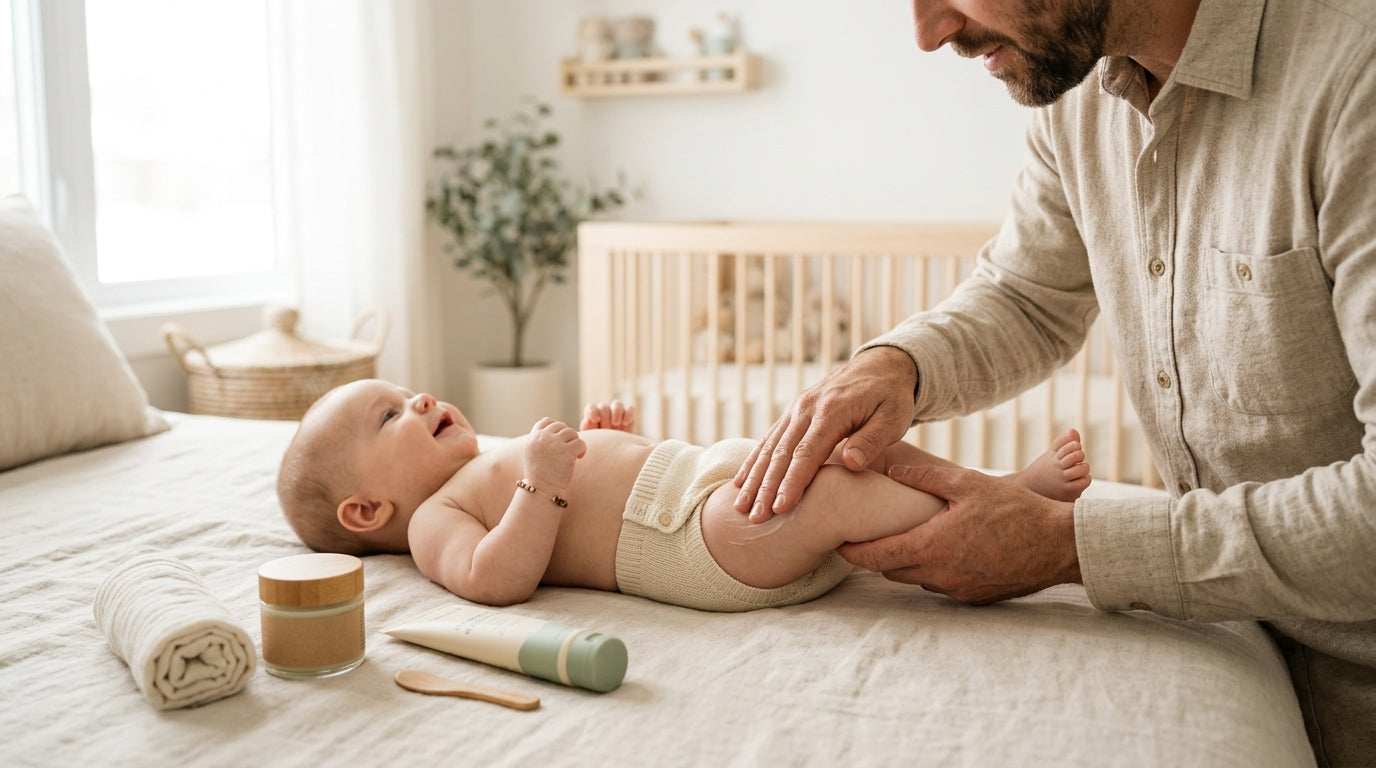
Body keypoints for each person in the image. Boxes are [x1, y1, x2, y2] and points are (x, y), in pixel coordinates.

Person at [731, 0, 1375, 764]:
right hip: (1254, 648)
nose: (930, 33)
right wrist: (898, 365)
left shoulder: (1351, 72)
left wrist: (1071, 546)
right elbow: (1028, 296)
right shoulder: (1081, 89)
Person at [275, 378, 1091, 613]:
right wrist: (545, 484)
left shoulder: (478, 462)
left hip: (701, 487)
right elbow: (497, 577)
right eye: (390, 415)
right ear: (365, 513)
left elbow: (594, 480)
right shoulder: (432, 524)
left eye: (407, 392)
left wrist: (601, 440)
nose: (417, 400)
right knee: (836, 492)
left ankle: (986, 492)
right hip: (691, 546)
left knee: (839, 450)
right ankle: (996, 509)